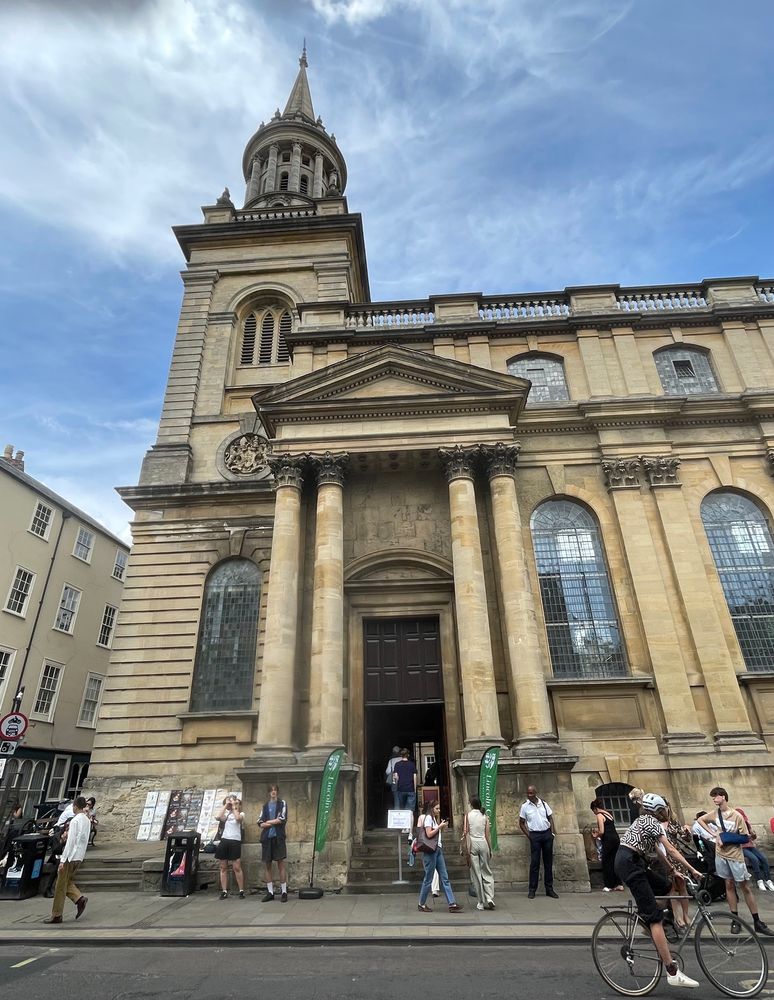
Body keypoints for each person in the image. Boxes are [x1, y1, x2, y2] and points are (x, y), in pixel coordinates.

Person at [614, 792, 703, 989]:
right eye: (663, 809)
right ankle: (672, 970)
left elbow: (659, 851)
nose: (666, 812)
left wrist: (673, 872)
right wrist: (693, 870)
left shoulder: (644, 821)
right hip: (629, 863)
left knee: (666, 886)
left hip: (634, 861)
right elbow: (670, 850)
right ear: (657, 810)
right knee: (654, 918)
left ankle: (650, 915)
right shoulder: (651, 822)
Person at [697, 787, 774, 936]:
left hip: (735, 855)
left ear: (723, 797)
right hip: (721, 855)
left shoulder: (736, 815)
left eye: (716, 796)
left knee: (745, 886)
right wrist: (714, 834)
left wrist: (726, 838)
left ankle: (757, 921)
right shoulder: (715, 814)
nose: (713, 799)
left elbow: (745, 837)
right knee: (729, 885)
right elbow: (701, 820)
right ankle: (735, 919)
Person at [43, 795, 90, 924]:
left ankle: (57, 914)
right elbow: (83, 840)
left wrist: (63, 860)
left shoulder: (75, 821)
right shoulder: (87, 820)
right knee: (66, 881)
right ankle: (79, 899)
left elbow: (71, 841)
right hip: (79, 856)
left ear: (75, 806)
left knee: (60, 885)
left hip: (71, 856)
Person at [416, 800, 462, 913]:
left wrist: (441, 827)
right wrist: (439, 827)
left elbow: (435, 833)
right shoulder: (428, 818)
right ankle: (421, 904)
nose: (439, 810)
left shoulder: (433, 819)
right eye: (437, 808)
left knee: (444, 877)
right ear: (432, 808)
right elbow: (428, 834)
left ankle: (452, 903)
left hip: (438, 850)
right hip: (431, 851)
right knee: (428, 878)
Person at [519, 785, 558, 899]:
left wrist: (552, 833)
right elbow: (521, 822)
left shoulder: (544, 804)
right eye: (528, 793)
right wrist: (529, 835)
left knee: (548, 863)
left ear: (536, 793)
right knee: (535, 863)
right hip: (534, 835)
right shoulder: (525, 806)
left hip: (546, 834)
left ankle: (549, 889)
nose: (529, 795)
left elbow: (550, 817)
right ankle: (532, 890)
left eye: (531, 793)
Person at [258, 784, 288, 902]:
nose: (273, 792)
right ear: (269, 793)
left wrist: (268, 822)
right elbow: (260, 822)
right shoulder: (265, 806)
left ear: (277, 792)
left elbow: (281, 818)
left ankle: (284, 891)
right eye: (271, 790)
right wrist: (271, 822)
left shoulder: (282, 803)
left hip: (278, 838)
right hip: (267, 838)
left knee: (280, 864)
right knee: (267, 865)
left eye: (275, 790)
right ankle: (270, 892)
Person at [464, 795, 495, 910]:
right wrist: (490, 849)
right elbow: (487, 835)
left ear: (471, 804)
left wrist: (467, 849)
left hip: (473, 843)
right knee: (486, 870)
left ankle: (480, 902)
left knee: (476, 873)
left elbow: (466, 832)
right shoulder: (484, 816)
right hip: (483, 843)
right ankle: (489, 897)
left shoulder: (468, 816)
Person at [736, 807, 774, 892]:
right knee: (754, 859)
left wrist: (753, 834)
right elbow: (735, 838)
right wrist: (744, 837)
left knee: (763, 858)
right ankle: (759, 880)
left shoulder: (747, 824)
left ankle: (768, 880)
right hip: (741, 847)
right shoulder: (735, 826)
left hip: (750, 845)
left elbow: (753, 838)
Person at [215, 794, 245, 900]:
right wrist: (226, 805)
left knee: (237, 867)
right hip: (225, 840)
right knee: (223, 867)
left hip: (235, 841)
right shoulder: (226, 815)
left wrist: (234, 807)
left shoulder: (241, 813)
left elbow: (238, 818)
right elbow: (218, 817)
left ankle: (241, 890)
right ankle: (224, 891)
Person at [590, 799, 623, 892]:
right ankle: (619, 884)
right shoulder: (608, 814)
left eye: (593, 811)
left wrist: (595, 835)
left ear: (595, 809)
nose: (594, 813)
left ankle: (609, 885)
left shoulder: (599, 815)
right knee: (614, 861)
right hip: (616, 839)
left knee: (607, 862)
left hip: (608, 840)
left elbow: (602, 831)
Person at [392, 748, 417, 837]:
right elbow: (414, 778)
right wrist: (414, 789)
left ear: (400, 755)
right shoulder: (412, 765)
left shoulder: (397, 765)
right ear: (408, 755)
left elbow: (396, 778)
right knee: (410, 811)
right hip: (410, 789)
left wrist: (396, 782)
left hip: (401, 789)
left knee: (402, 810)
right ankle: (410, 832)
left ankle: (404, 828)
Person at [385, 745, 402, 811]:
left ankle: (397, 816)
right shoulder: (403, 759)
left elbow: (387, 771)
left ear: (393, 752)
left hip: (395, 781)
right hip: (404, 781)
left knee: (396, 799)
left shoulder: (391, 760)